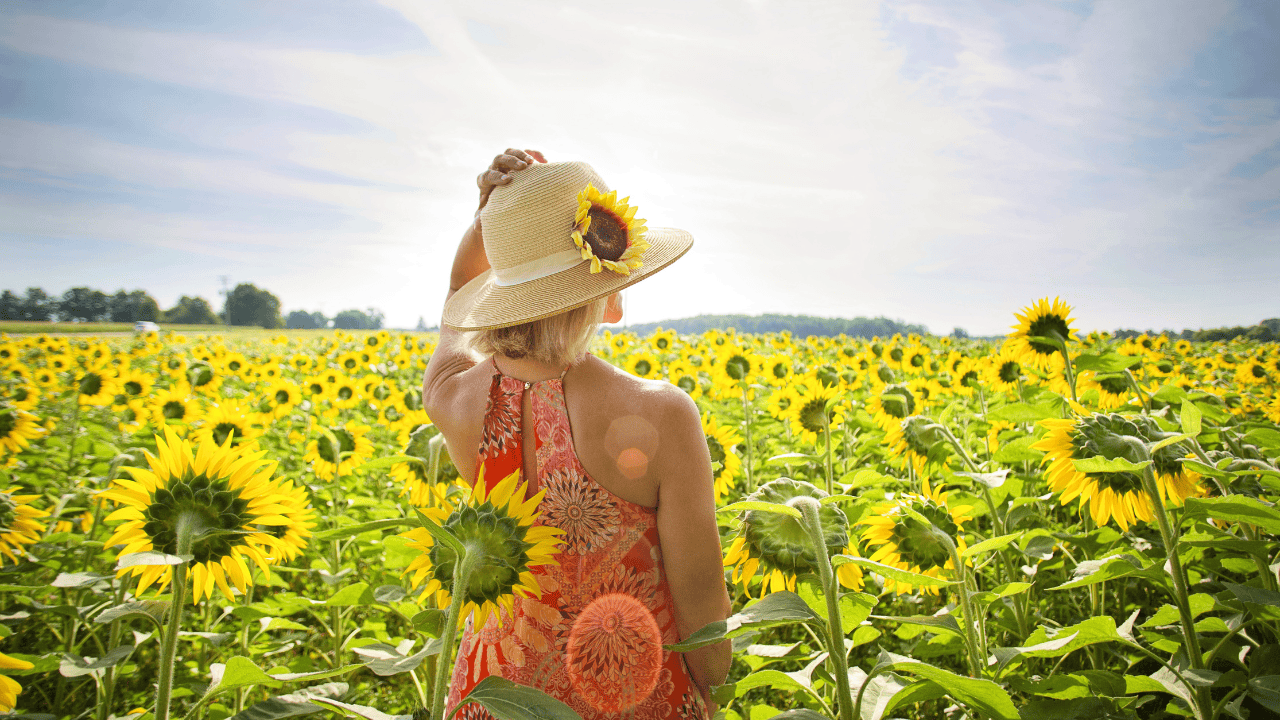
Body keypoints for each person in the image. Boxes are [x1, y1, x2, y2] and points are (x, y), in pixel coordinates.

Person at [422, 148, 731, 719]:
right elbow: (702, 614)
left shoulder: (455, 398)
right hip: (633, 698)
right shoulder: (661, 414)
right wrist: (715, 689)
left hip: (493, 697)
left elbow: (453, 307)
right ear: (606, 294)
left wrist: (485, 222)